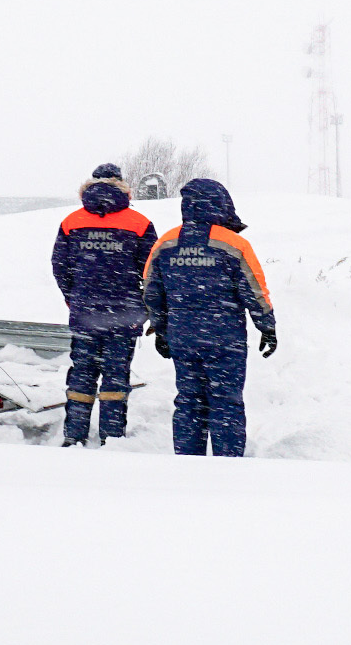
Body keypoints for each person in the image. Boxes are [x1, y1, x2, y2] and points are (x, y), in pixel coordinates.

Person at [143, 178, 277, 457]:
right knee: (226, 403)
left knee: (189, 401)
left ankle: (188, 461)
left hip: (183, 337)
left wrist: (160, 327)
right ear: (222, 205)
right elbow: (254, 289)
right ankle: (227, 466)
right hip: (224, 338)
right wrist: (267, 326)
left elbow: (151, 289)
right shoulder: (234, 244)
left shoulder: (166, 242)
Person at [51, 163, 158, 447]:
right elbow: (152, 271)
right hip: (124, 314)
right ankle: (112, 436)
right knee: (116, 375)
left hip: (85, 312)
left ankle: (74, 434)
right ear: (122, 185)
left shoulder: (72, 221)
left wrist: (73, 298)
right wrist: (142, 305)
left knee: (82, 374)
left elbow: (60, 266)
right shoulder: (140, 223)